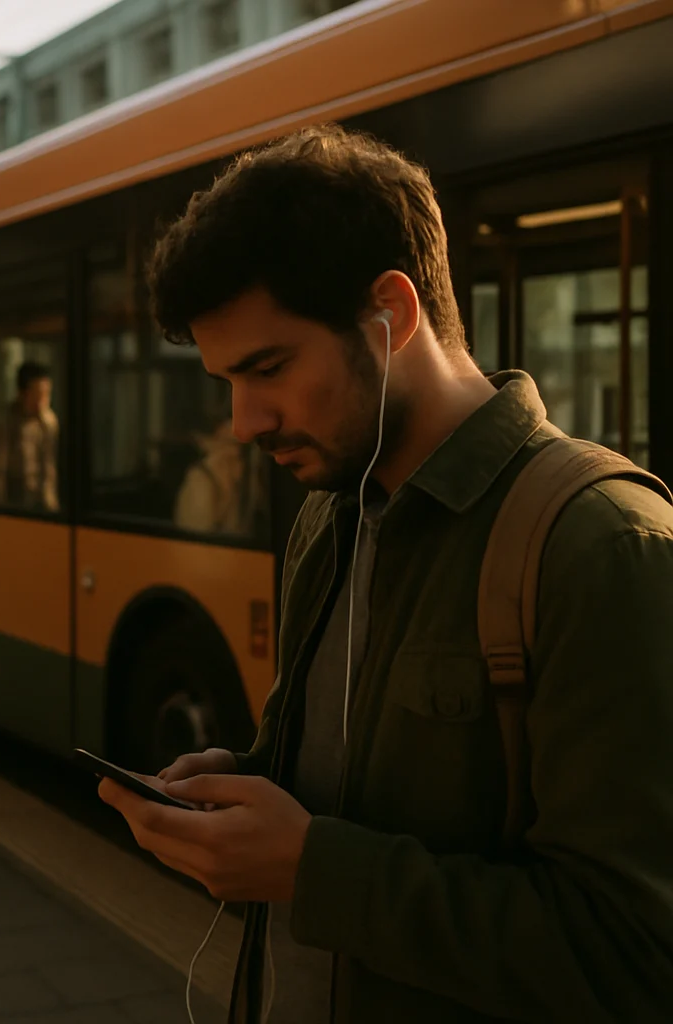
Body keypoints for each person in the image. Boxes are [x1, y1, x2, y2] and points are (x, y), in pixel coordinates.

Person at [99, 124, 673, 1022]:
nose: (244, 421)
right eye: (225, 381)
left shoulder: (603, 546)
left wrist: (310, 868)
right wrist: (249, 794)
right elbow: (360, 795)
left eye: (269, 368)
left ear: (393, 315)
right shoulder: (328, 517)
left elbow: (636, 955)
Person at [0, 360, 59, 511]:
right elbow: (1, 462)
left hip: (42, 500)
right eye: (38, 395)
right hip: (15, 500)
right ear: (23, 394)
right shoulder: (9, 419)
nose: (43, 401)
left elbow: (49, 465)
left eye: (46, 394)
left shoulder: (49, 422)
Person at [172, 415, 248, 535]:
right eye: (228, 443)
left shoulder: (241, 484)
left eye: (240, 447)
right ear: (209, 443)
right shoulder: (199, 480)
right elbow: (196, 540)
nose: (234, 452)